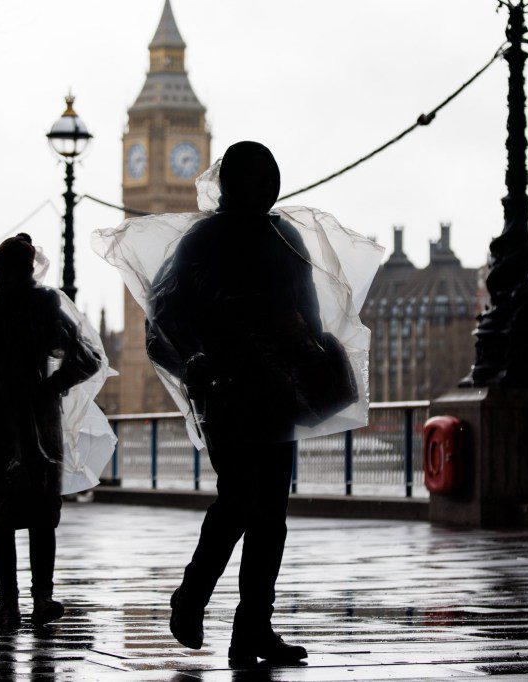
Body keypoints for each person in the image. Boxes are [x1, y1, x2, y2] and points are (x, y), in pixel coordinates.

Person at [93, 141, 382, 663]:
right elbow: (162, 326)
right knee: (240, 503)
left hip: (275, 395)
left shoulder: (278, 235)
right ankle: (194, 596)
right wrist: (199, 365)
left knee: (268, 515)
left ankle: (252, 627)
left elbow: (309, 319)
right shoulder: (208, 242)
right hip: (230, 393)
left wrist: (299, 341)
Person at [0, 234, 113, 630]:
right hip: (33, 422)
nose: (0, 278)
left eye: (4, 271)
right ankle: (36, 599)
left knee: (14, 518)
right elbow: (87, 358)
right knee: (32, 517)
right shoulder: (42, 302)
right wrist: (50, 388)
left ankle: (15, 602)